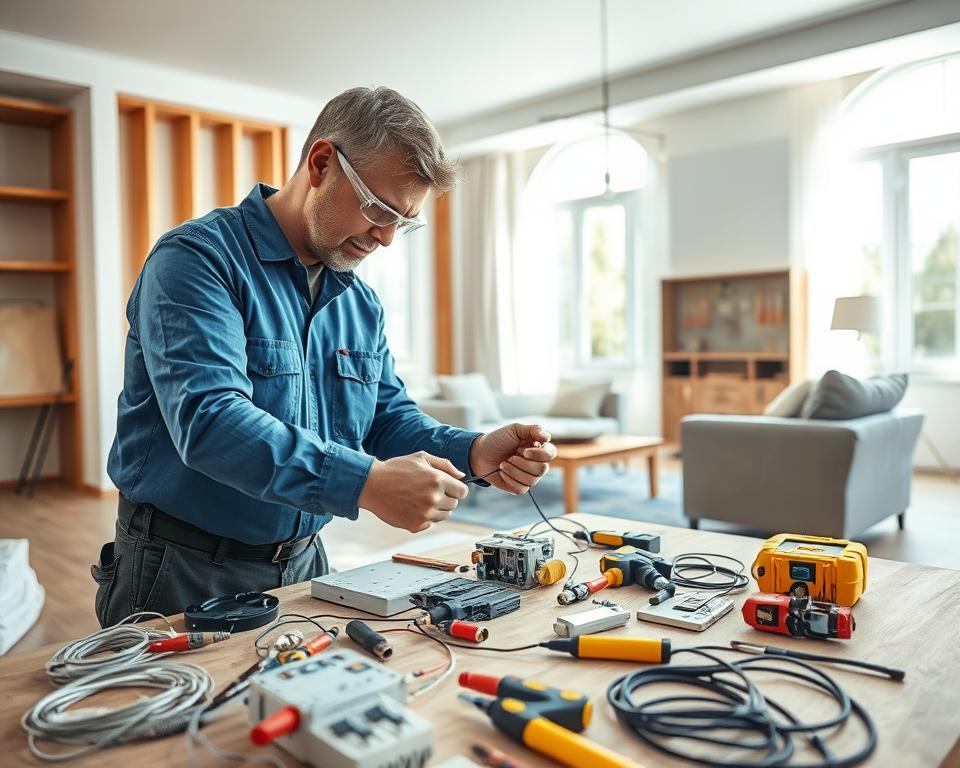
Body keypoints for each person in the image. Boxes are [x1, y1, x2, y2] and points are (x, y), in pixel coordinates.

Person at [93, 86, 556, 628]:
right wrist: (365, 484)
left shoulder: (359, 302)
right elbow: (210, 422)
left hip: (306, 564)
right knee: (171, 716)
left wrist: (475, 451)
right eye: (380, 210)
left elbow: (384, 417)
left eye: (403, 222)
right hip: (180, 568)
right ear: (321, 162)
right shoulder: (197, 261)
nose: (386, 239)